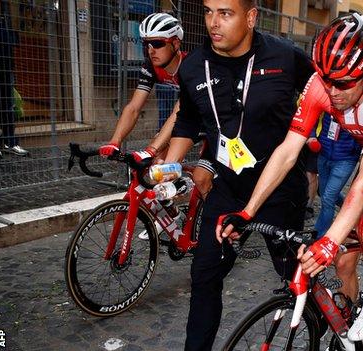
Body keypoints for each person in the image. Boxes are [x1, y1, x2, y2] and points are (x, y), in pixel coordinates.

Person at [217, 12, 363, 342]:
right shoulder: (321, 85)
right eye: (325, 78)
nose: (331, 90)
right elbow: (287, 151)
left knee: (362, 220)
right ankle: (346, 320)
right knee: (344, 263)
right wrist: (247, 211)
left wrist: (329, 242)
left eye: (343, 83)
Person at [161, 0, 314, 349]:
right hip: (227, 189)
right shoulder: (193, 67)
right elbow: (187, 121)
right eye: (208, 12)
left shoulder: (285, 58)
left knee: (293, 274)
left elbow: (326, 91)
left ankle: (323, 325)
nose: (214, 23)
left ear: (250, 17)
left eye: (225, 13)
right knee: (204, 277)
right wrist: (169, 166)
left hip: (280, 191)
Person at [98, 12, 186, 160]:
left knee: (201, 179)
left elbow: (178, 113)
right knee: (155, 165)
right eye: (146, 44)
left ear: (176, 43)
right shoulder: (151, 66)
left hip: (210, 121)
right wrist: (114, 142)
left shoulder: (190, 66)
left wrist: (151, 150)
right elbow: (133, 108)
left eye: (158, 43)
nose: (151, 50)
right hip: (186, 121)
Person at [311, 113, 361, 238]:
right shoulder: (326, 103)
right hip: (323, 155)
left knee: (327, 198)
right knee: (324, 194)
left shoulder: (358, 109)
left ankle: (319, 235)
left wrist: (355, 149)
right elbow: (311, 118)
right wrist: (312, 137)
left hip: (345, 160)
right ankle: (351, 209)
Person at [0, 0, 28, 158]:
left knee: (8, 106)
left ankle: (10, 142)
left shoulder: (6, 14)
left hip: (6, 66)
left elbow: (13, 39)